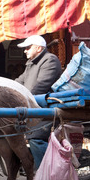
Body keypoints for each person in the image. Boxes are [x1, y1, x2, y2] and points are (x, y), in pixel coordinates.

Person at [15, 35, 62, 169]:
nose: (25, 51)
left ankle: (46, 172)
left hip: (46, 109)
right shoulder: (31, 63)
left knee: (35, 138)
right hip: (32, 107)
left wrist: (23, 99)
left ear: (38, 48)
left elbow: (41, 86)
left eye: (28, 48)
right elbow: (20, 81)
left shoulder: (50, 60)